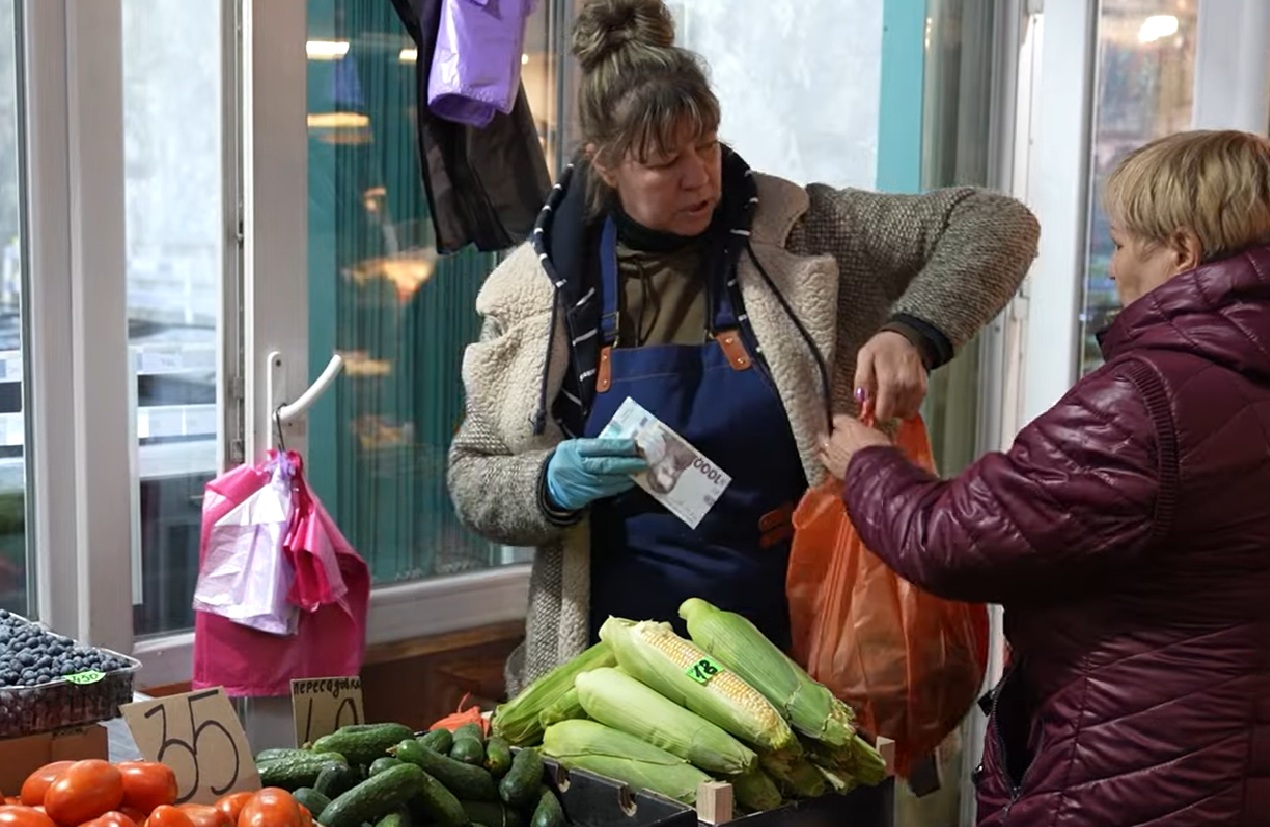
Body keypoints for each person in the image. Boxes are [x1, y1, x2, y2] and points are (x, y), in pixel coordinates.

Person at [448, 0, 1039, 694]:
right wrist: (545, 483)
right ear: (605, 164)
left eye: (706, 144)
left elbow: (998, 222)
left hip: (800, 655)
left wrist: (914, 329)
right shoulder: (540, 288)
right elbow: (471, 475)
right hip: (609, 679)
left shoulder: (795, 232)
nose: (701, 176)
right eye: (666, 162)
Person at [822, 128, 1270, 825]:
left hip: (1127, 776)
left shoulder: (1147, 403)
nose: (1115, 269)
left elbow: (956, 538)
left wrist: (866, 464)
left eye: (1121, 244)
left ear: (1180, 251)